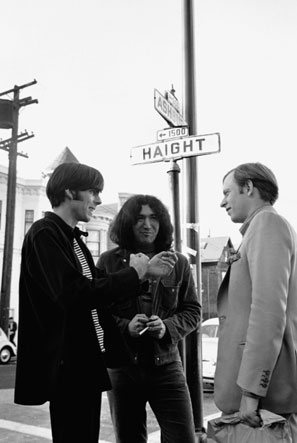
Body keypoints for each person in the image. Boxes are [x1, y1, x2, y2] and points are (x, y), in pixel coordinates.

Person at [14, 163, 177, 443]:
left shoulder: (71, 238)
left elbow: (99, 284)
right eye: (93, 192)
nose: (98, 200)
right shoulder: (45, 233)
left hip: (84, 363)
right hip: (68, 365)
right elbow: (74, 293)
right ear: (69, 191)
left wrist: (144, 272)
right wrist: (135, 273)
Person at [96, 194, 200, 443]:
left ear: (162, 222)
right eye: (139, 218)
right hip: (122, 368)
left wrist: (166, 327)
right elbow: (96, 313)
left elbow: (193, 311)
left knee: (183, 438)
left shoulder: (178, 263)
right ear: (128, 223)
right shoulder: (109, 261)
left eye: (153, 217)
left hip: (166, 365)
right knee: (129, 438)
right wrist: (125, 327)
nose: (147, 224)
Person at [215, 162, 297, 439]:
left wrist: (251, 390)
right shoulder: (258, 229)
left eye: (227, 192)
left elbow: (268, 312)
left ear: (248, 187)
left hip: (263, 405)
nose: (222, 201)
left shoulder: (267, 223)